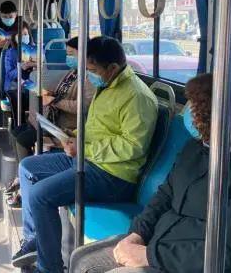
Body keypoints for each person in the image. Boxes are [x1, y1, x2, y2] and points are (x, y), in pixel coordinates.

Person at [12, 36, 159, 273]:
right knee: (28, 168)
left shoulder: (136, 97)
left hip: (113, 176)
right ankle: (36, 240)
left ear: (112, 68)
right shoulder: (107, 85)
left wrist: (83, 148)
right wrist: (73, 137)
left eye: (92, 70)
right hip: (88, 159)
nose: (89, 75)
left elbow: (133, 146)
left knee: (40, 196)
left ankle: (49, 268)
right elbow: (98, 127)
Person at [70, 73, 231, 273]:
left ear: (214, 116)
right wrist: (137, 233)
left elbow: (226, 253)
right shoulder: (193, 148)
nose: (189, 113)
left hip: (186, 261)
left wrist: (149, 256)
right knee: (81, 258)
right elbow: (165, 195)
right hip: (158, 239)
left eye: (196, 107)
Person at [5, 37, 95, 205]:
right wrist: (50, 94)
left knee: (23, 138)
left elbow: (85, 106)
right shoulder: (73, 73)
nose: (68, 58)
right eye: (67, 54)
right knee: (17, 131)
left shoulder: (89, 79)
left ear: (83, 54)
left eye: (71, 54)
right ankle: (21, 176)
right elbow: (62, 92)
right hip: (54, 119)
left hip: (67, 126)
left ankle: (25, 183)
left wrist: (56, 101)